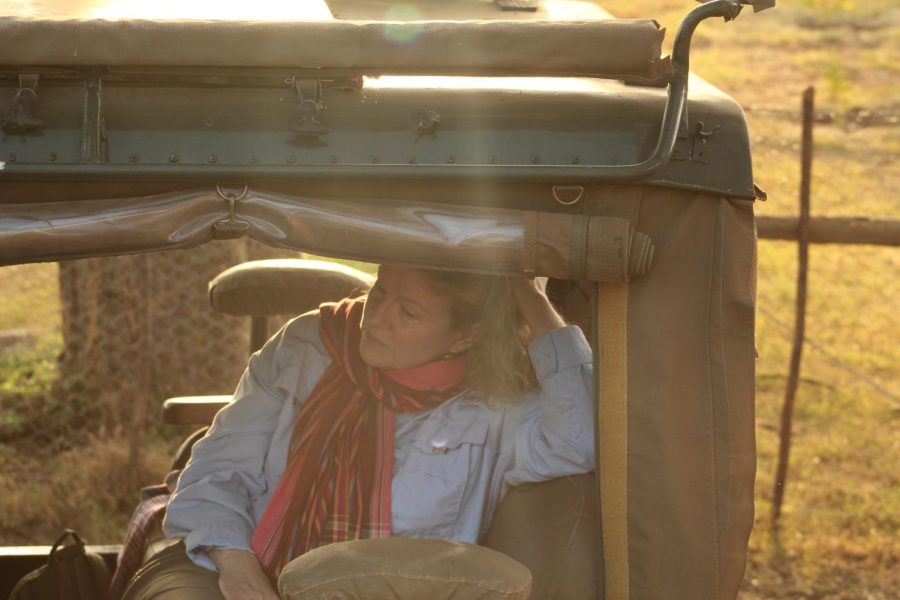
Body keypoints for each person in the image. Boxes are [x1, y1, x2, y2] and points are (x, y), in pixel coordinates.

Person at [124, 265, 594, 600]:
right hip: (252, 568)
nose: (378, 317)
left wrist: (527, 293)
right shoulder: (308, 345)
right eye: (381, 291)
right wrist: (238, 570)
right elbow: (216, 470)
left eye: (408, 312)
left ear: (465, 336)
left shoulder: (497, 403)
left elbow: (579, 441)